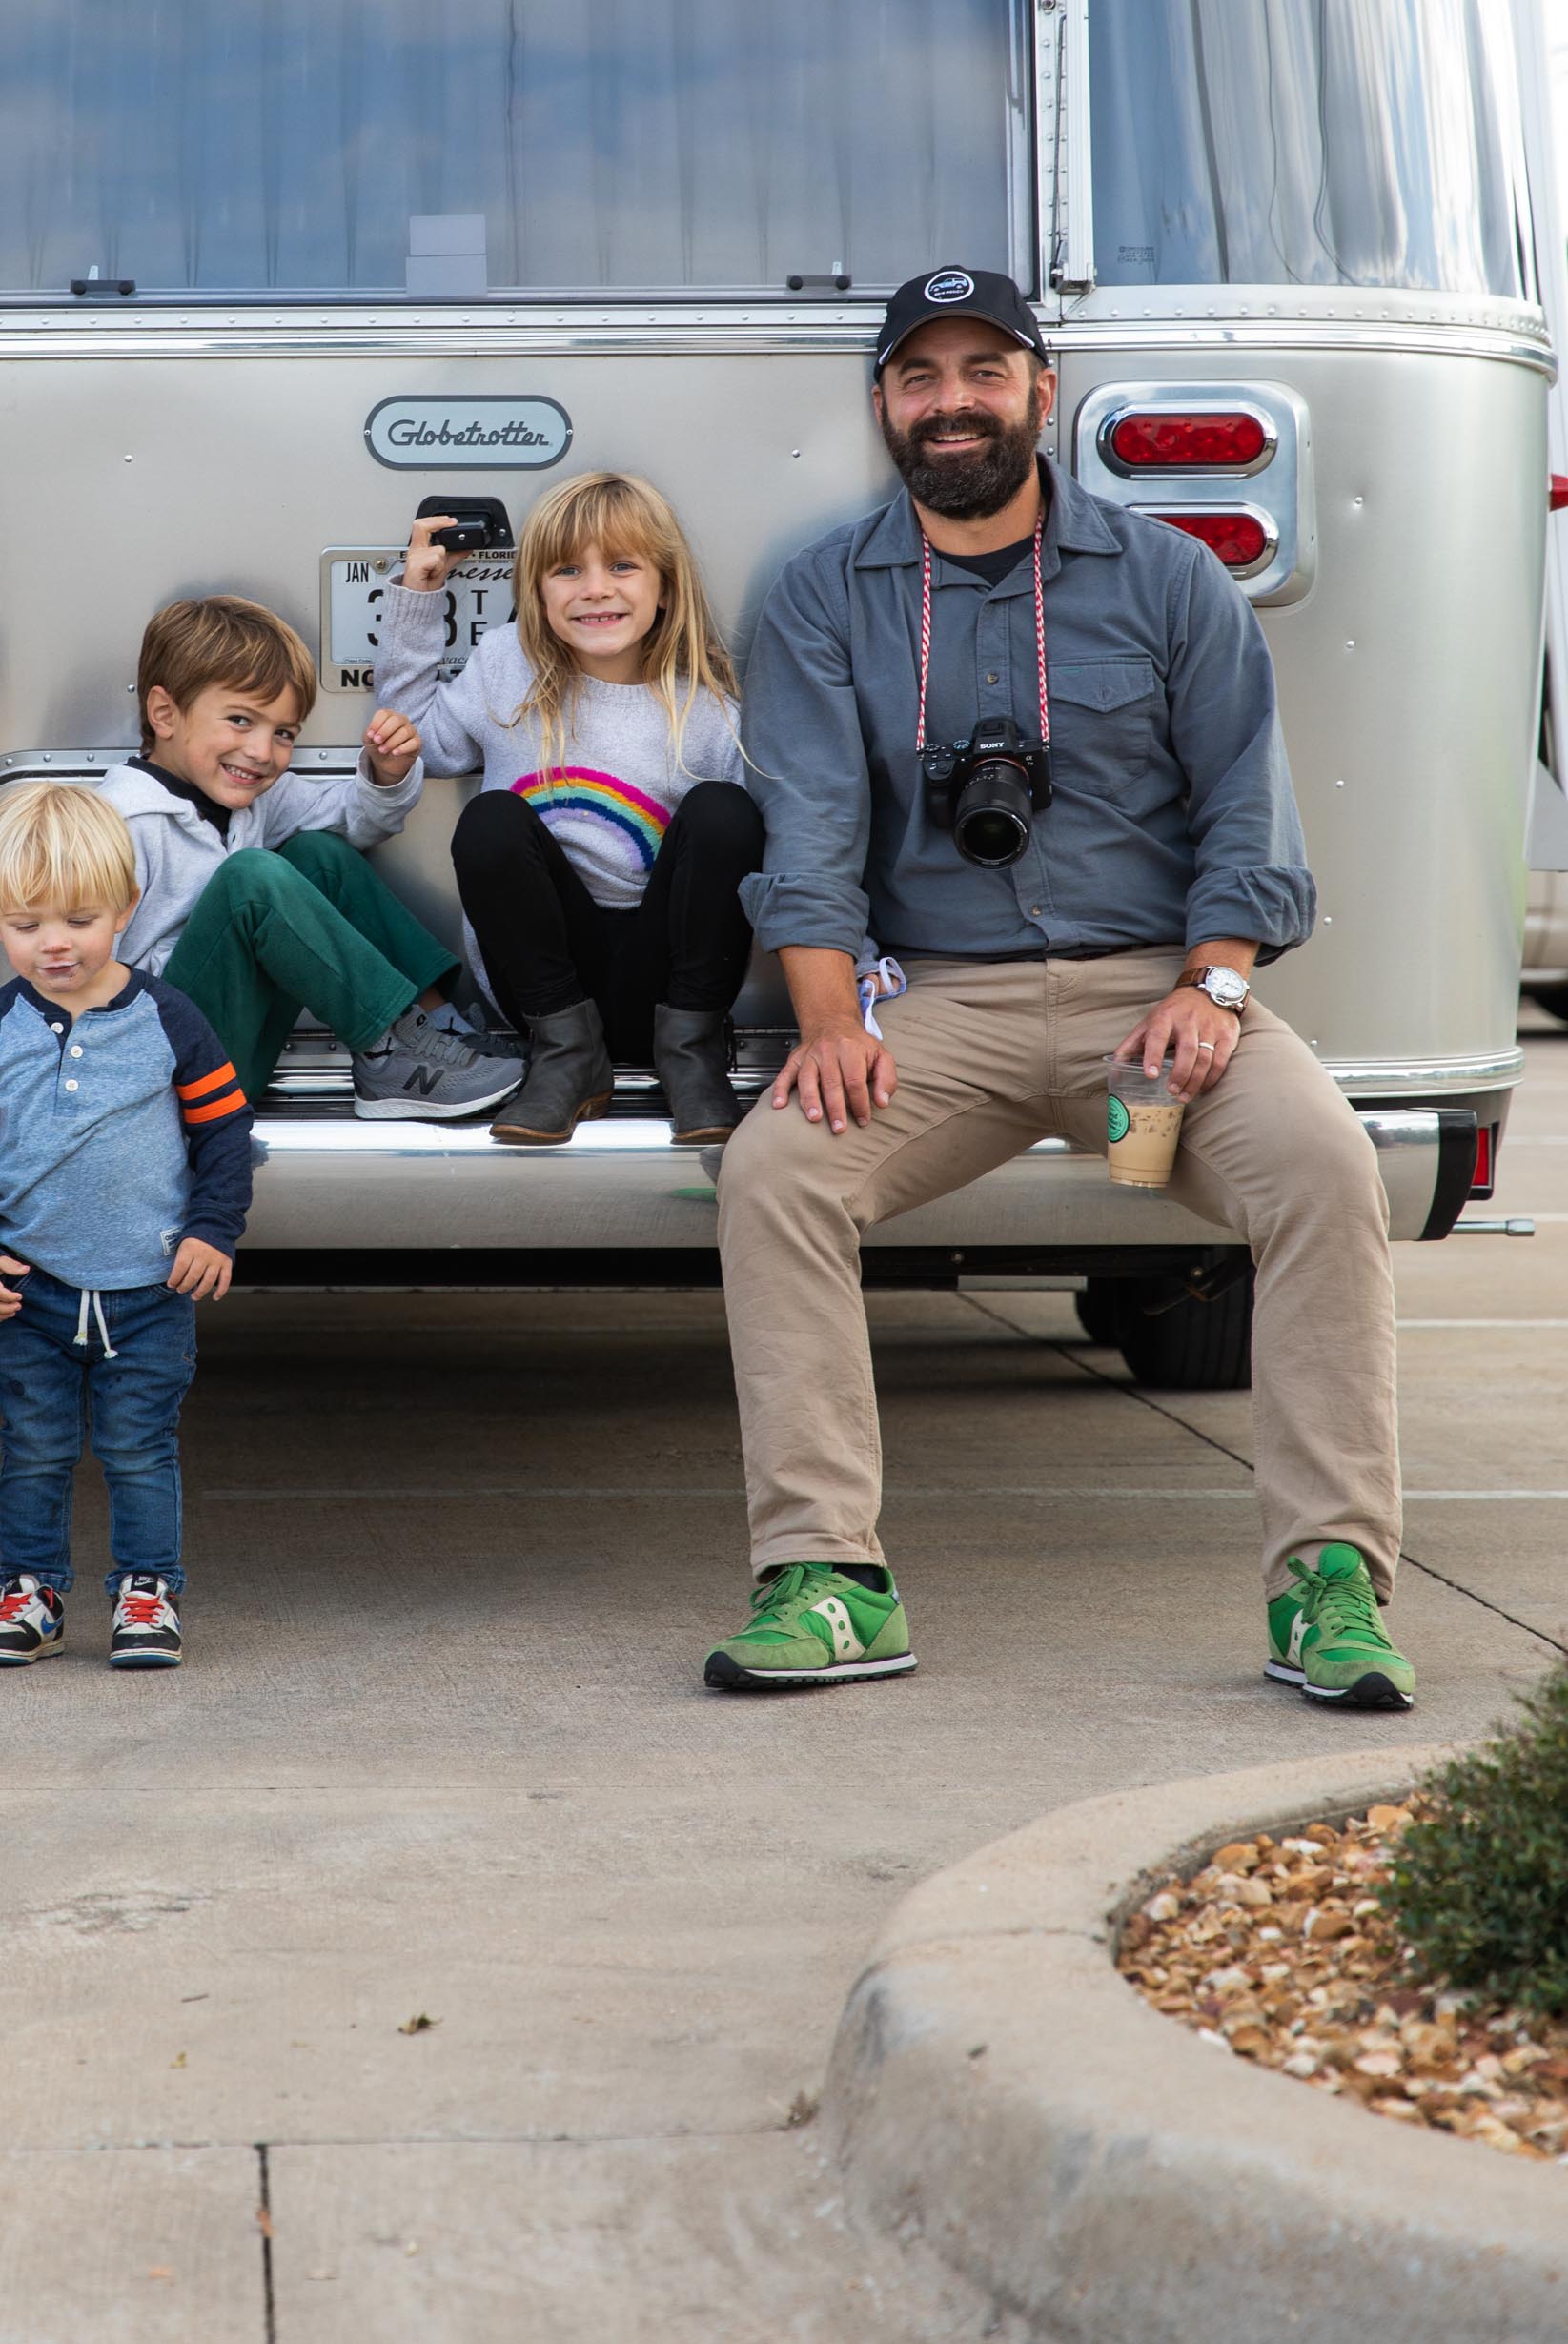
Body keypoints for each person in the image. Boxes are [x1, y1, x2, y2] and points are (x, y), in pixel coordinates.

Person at [705, 266, 1413, 1711]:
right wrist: (830, 1017)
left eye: (983, 372)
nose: (950, 402)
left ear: (1041, 393)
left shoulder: (1165, 579)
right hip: (939, 1004)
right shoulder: (820, 593)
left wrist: (1213, 987)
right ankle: (827, 1575)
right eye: (920, 376)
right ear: (884, 407)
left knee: (1325, 1167)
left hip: (1153, 993)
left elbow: (1245, 809)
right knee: (776, 1170)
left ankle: (1329, 1584)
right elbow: (811, 826)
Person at [0, 781, 252, 1674]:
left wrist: (211, 1230)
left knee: (139, 1447)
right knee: (33, 1448)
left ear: (126, 909)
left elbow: (223, 1131)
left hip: (150, 1289)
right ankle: (29, 1592)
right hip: (32, 1293)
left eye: (78, 918)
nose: (55, 942)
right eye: (28, 923)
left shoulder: (169, 1020)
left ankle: (147, 1591)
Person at [375, 471, 765, 1145]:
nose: (594, 589)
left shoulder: (704, 712)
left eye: (621, 565)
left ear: (665, 586)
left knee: (726, 812)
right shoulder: (507, 667)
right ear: (536, 591)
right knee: (490, 820)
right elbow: (420, 744)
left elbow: (768, 858)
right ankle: (568, 1061)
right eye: (565, 571)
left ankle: (692, 1059)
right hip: (545, 991)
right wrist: (419, 595)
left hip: (668, 983)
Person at [97, 594, 522, 1118]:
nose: (261, 751)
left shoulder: (256, 799)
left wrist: (386, 773)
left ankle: (435, 1029)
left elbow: (354, 821)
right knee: (251, 879)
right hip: (165, 1080)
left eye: (283, 734)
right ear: (164, 713)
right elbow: (88, 979)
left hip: (237, 1057)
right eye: (239, 720)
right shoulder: (118, 823)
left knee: (317, 854)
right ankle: (386, 1050)